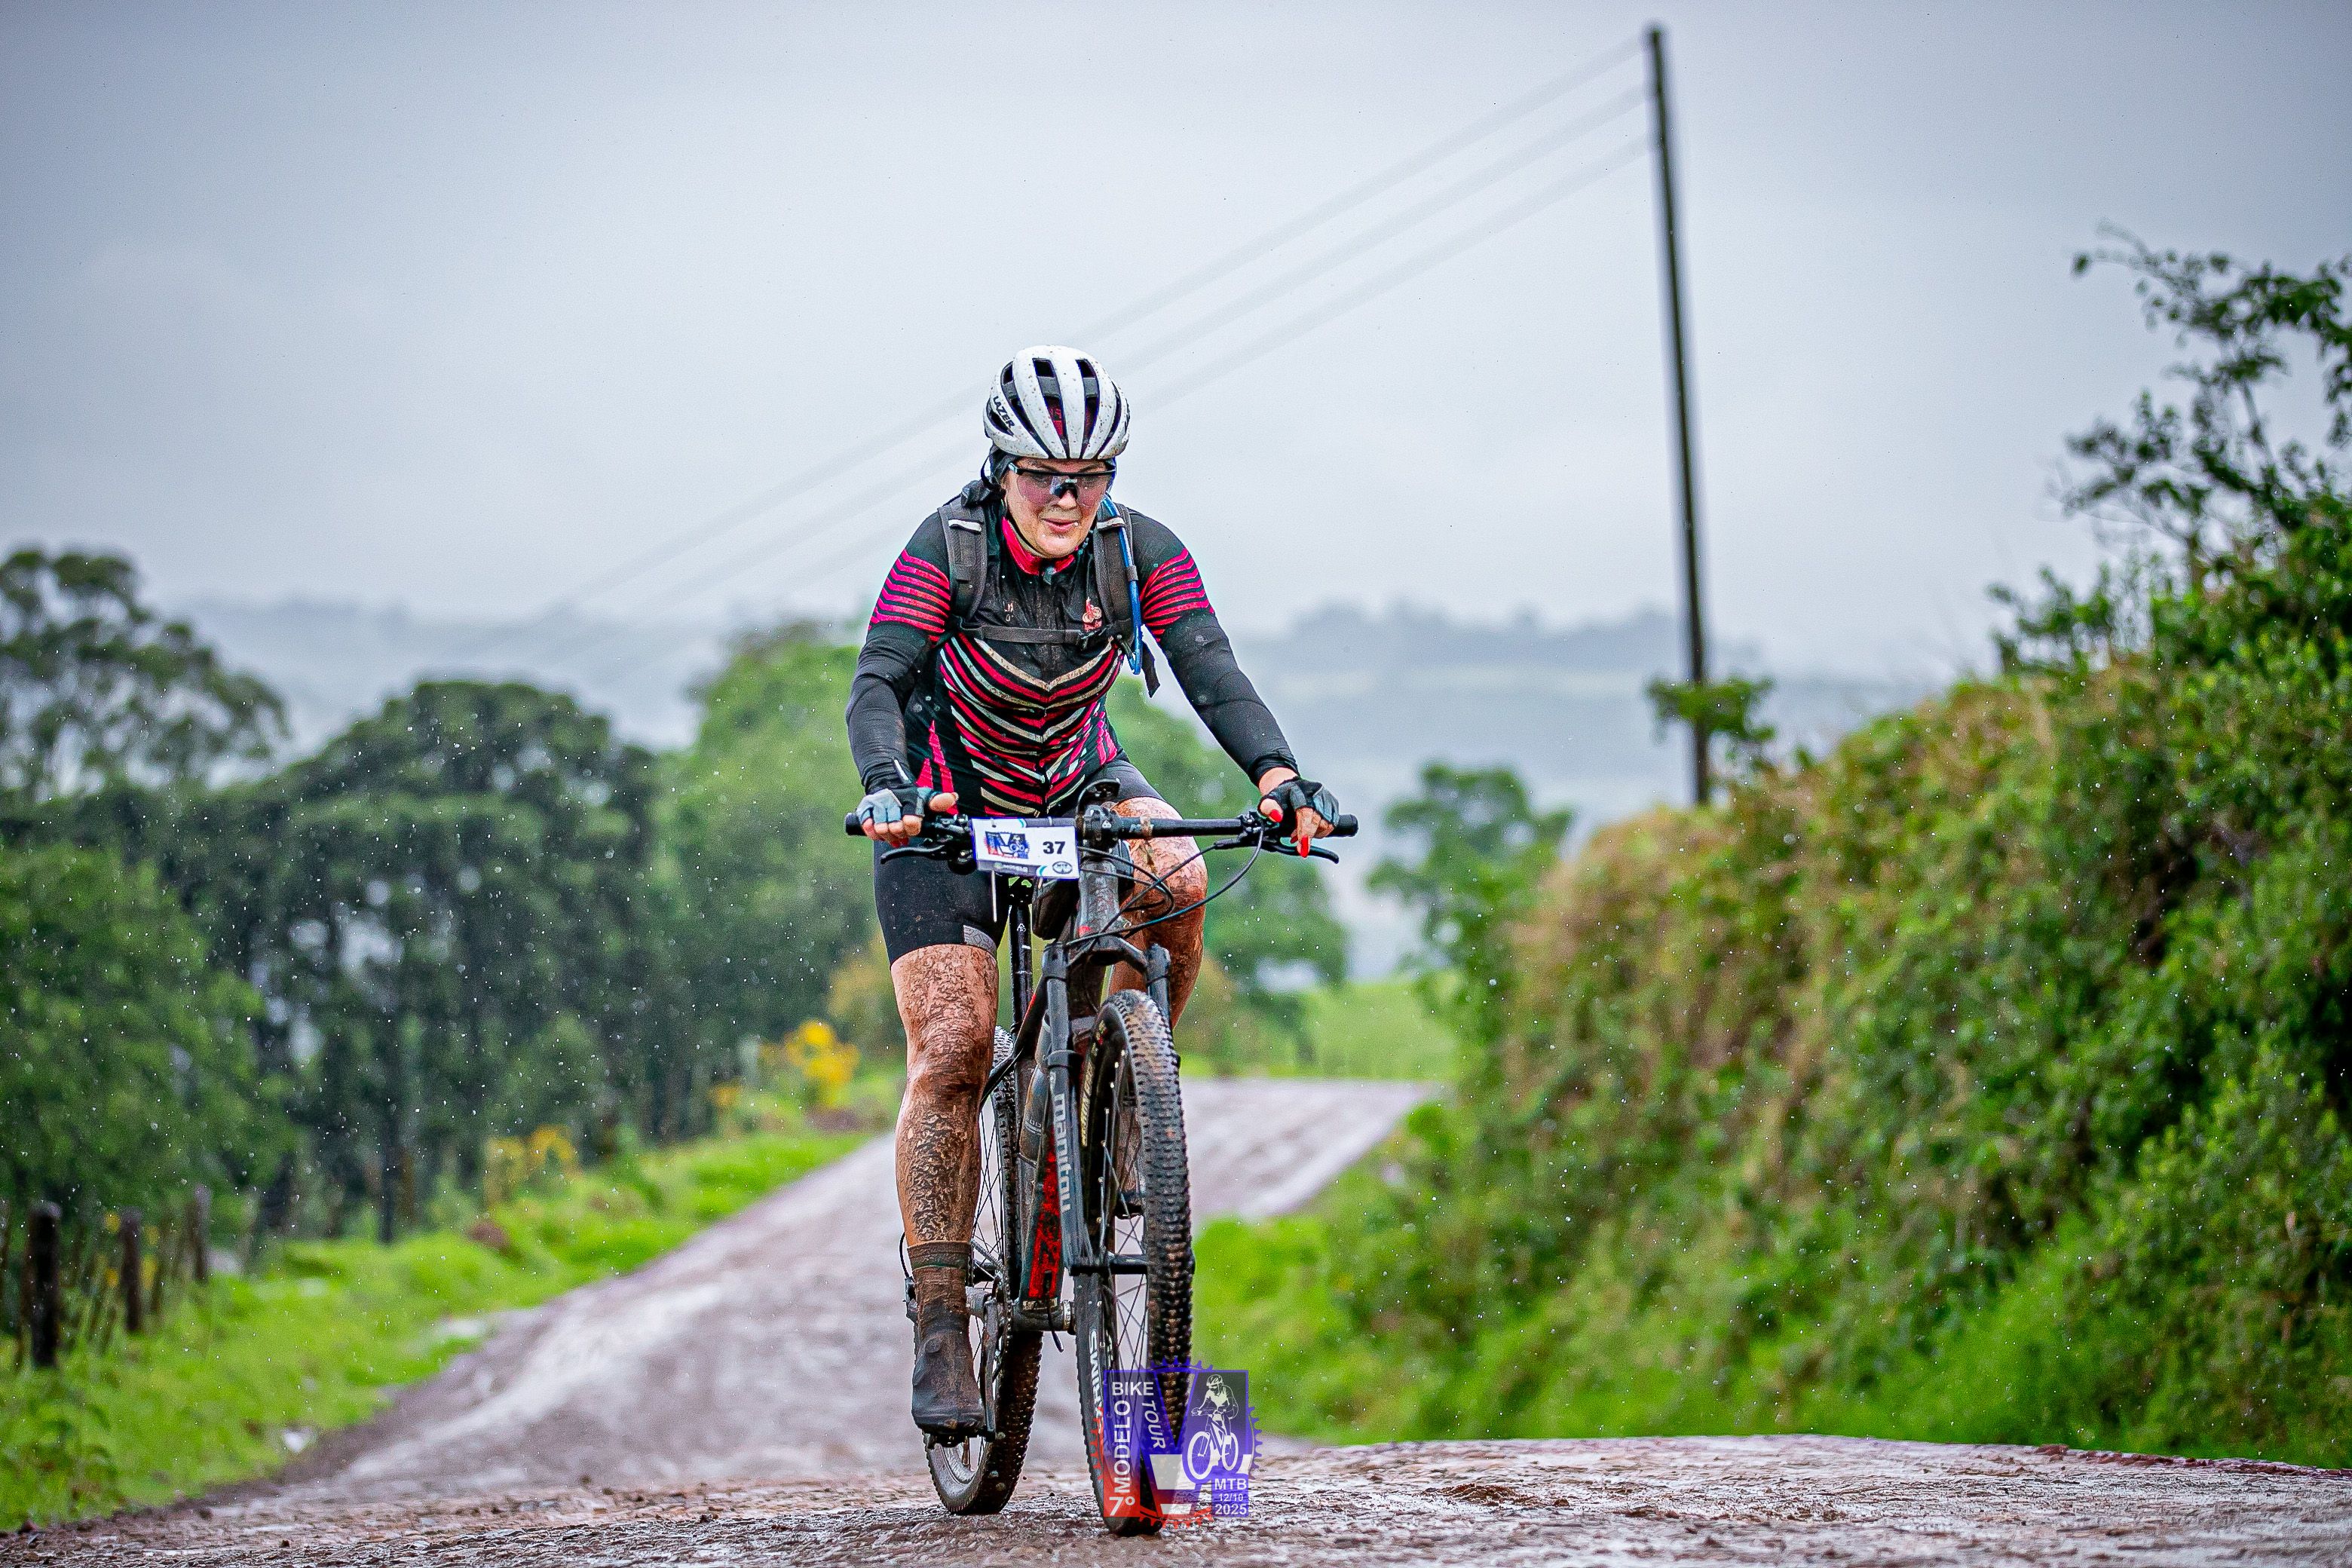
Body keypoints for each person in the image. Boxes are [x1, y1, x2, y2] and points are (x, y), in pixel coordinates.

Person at [846, 345, 1339, 1438]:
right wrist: (885, 785)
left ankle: (1121, 1092)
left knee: (1179, 874)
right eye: (1043, 476)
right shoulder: (948, 547)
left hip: (1076, 786)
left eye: (1089, 476)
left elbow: (1210, 666)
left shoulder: (1139, 550)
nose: (1066, 499)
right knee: (954, 1046)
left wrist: (1278, 777)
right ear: (1002, 468)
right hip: (943, 805)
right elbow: (878, 678)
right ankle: (942, 1318)